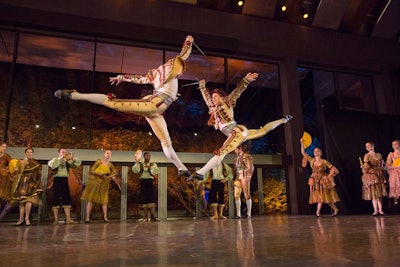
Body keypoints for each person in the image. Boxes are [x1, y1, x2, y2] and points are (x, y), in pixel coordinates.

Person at [54, 35, 194, 179]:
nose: (181, 72)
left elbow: (138, 79)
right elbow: (184, 54)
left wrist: (121, 77)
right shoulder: (171, 68)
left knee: (166, 142)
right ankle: (74, 95)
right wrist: (189, 41)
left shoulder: (159, 74)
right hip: (153, 104)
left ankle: (181, 168)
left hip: (156, 111)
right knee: (112, 103)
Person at [188, 73, 292, 181]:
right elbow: (207, 99)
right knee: (263, 131)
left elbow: (237, 91)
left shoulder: (227, 102)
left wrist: (246, 80)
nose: (213, 99)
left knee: (221, 153)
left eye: (216, 96)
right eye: (213, 97)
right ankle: (284, 119)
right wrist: (202, 87)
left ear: (222, 97)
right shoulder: (214, 109)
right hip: (241, 133)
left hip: (236, 132)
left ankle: (201, 172)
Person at [300, 138, 340, 217]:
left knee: (325, 196)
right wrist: (301, 143)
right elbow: (303, 153)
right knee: (320, 196)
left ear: (321, 153)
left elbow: (335, 169)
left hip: (322, 180)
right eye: (315, 151)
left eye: (317, 151)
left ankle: (319, 211)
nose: (316, 152)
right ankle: (326, 210)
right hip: (315, 180)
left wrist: (328, 177)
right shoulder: (311, 160)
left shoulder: (324, 161)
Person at [81, 150, 118, 223]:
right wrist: (99, 174)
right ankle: (87, 217)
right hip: (95, 182)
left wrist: (111, 176)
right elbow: (91, 170)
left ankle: (105, 217)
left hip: (103, 184)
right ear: (104, 154)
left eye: (110, 153)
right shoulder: (99, 161)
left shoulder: (110, 164)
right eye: (107, 153)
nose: (108, 154)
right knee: (91, 199)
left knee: (104, 200)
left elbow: (114, 173)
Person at [48, 148, 81, 224]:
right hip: (56, 180)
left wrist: (73, 158)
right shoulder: (55, 159)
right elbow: (52, 165)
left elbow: (77, 164)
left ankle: (68, 219)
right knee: (55, 198)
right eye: (63, 152)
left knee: (66, 198)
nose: (64, 153)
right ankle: (56, 220)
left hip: (65, 180)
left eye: (65, 152)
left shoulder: (67, 162)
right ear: (59, 153)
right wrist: (61, 159)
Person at [9, 148, 41, 226]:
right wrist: (17, 169)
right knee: (21, 202)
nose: (29, 153)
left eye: (30, 152)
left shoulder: (34, 162)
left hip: (31, 184)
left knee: (29, 201)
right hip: (22, 183)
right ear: (25, 153)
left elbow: (38, 174)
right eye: (27, 152)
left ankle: (27, 218)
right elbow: (17, 172)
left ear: (32, 153)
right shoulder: (20, 162)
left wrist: (38, 185)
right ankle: (21, 218)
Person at [360, 141, 387, 216]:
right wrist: (364, 167)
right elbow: (366, 166)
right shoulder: (367, 155)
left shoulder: (378, 155)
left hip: (379, 174)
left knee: (379, 193)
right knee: (373, 193)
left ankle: (381, 210)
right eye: (366, 146)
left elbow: (383, 164)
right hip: (371, 175)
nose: (367, 147)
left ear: (373, 146)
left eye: (368, 145)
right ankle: (375, 210)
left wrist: (383, 169)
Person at [132, 151, 159, 222]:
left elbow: (155, 172)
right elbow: (135, 170)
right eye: (147, 156)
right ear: (144, 157)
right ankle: (145, 217)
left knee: (151, 199)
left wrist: (150, 168)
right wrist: (137, 162)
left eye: (149, 156)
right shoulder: (140, 164)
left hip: (150, 182)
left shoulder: (153, 164)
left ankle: (153, 217)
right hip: (143, 182)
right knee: (144, 200)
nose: (148, 157)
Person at [233, 144, 254, 219]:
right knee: (236, 195)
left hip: (245, 176)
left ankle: (249, 213)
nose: (234, 151)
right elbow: (235, 168)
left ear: (240, 148)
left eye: (236, 149)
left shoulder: (246, 156)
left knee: (246, 194)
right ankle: (238, 214)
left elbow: (250, 167)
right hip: (238, 176)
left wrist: (249, 177)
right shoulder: (236, 159)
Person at [0, 141, 12, 221]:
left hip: (4, 179)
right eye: (3, 147)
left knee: (4, 197)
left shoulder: (7, 156)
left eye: (5, 147)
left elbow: (12, 164)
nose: (4, 148)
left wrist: (7, 170)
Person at [386, 140, 400, 205]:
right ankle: (395, 198)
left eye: (396, 144)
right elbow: (388, 166)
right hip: (395, 173)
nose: (394, 145)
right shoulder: (391, 154)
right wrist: (397, 166)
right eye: (393, 144)